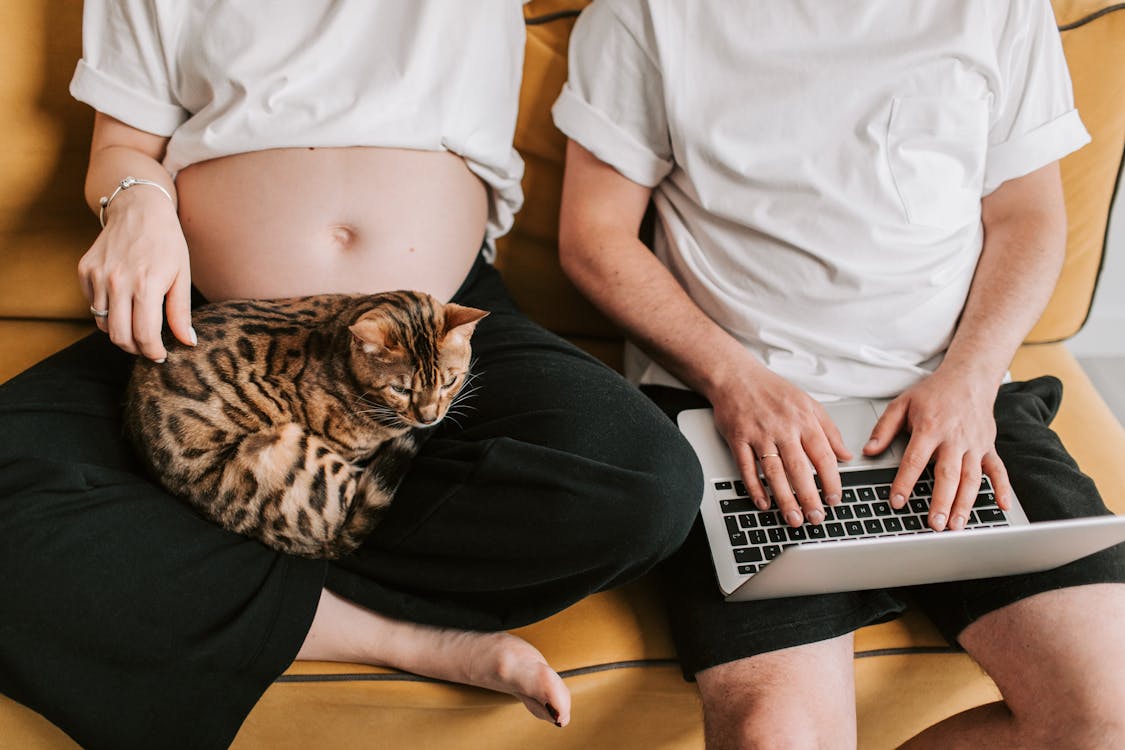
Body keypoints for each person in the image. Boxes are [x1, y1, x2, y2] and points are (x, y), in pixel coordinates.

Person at [0, 2, 702, 748]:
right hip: (210, 345)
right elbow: (121, 149)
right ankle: (398, 637)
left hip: (439, 338)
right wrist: (134, 206)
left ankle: (192, 554)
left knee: (648, 489)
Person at [554, 1, 1125, 747]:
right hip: (734, 413)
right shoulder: (643, 15)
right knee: (774, 736)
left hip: (953, 393)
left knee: (1106, 719)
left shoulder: (1001, 8)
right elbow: (592, 236)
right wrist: (735, 382)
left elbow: (1028, 216)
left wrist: (970, 381)